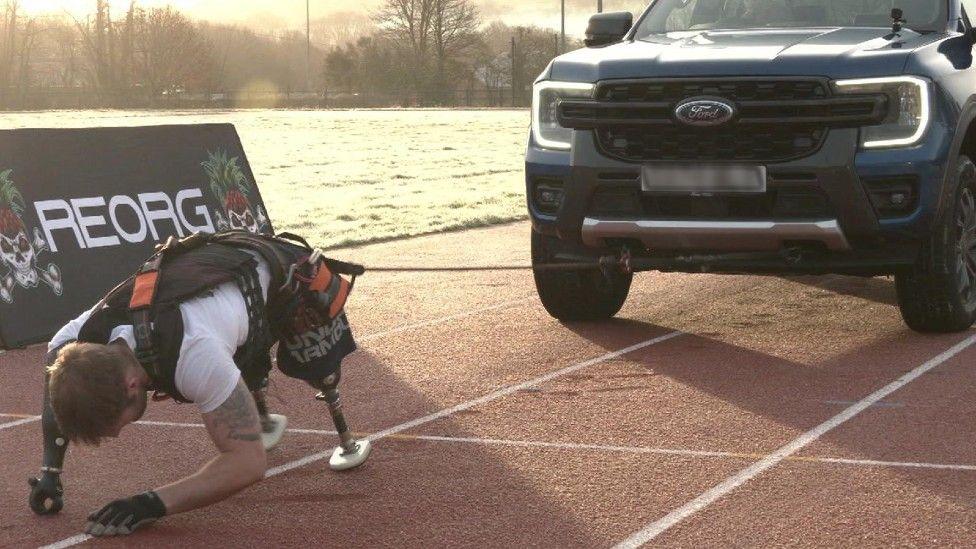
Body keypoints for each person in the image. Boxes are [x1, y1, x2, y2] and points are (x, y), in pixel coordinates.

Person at [27, 231, 370, 537]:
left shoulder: (193, 355)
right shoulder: (76, 339)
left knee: (315, 367)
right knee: (231, 372)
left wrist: (150, 504)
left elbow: (248, 463)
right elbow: (58, 372)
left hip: (277, 271)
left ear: (132, 385)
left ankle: (332, 428)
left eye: (114, 423)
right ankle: (255, 401)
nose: (116, 435)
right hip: (212, 278)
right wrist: (50, 469)